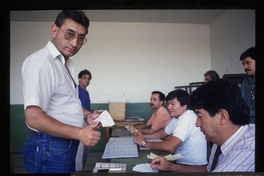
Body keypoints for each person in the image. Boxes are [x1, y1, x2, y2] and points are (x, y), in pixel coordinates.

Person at [21, 10, 101, 173]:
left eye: (80, 37)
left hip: (62, 145)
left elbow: (66, 104)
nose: (74, 42)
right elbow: (33, 118)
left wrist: (86, 115)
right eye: (70, 34)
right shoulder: (42, 62)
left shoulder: (65, 64)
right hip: (49, 146)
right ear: (54, 30)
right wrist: (79, 132)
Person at [151, 79, 255, 172]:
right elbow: (207, 170)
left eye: (200, 116)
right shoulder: (219, 139)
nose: (197, 124)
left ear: (223, 116)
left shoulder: (245, 152)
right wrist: (170, 167)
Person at [134, 89, 207, 166]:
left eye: (172, 104)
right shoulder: (176, 117)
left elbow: (170, 146)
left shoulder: (187, 118)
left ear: (184, 106)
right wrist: (144, 136)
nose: (168, 107)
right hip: (179, 160)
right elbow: (163, 133)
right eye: (168, 104)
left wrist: (144, 143)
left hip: (191, 166)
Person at [75, 69, 94, 171]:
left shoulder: (86, 92)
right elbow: (77, 108)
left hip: (87, 121)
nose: (87, 80)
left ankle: (81, 169)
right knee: (80, 149)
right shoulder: (76, 91)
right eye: (84, 78)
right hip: (79, 122)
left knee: (86, 148)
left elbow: (85, 107)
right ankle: (78, 170)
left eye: (89, 79)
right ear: (79, 79)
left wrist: (93, 111)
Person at [239, 46, 255, 124]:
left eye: (248, 63)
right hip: (246, 124)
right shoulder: (245, 82)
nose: (245, 67)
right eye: (243, 64)